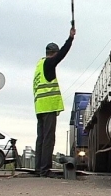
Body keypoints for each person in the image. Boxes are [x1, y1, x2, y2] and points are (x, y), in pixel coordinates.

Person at [33, 27, 76, 178]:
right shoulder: (49, 63)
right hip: (48, 107)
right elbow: (62, 54)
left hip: (39, 108)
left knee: (41, 138)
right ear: (53, 54)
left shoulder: (39, 65)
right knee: (48, 139)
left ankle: (39, 169)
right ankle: (45, 170)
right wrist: (70, 38)